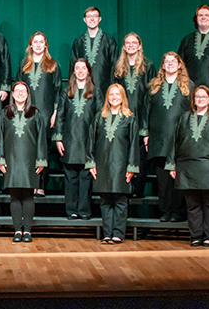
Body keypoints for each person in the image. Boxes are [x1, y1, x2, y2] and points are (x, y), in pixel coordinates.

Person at [167, 86, 209, 247]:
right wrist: (171, 165)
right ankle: (196, 236)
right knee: (192, 205)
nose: (200, 99)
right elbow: (174, 143)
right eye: (197, 96)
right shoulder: (184, 119)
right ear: (193, 100)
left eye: (204, 97)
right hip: (187, 167)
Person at [143, 52, 195, 222]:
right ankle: (165, 210)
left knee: (178, 177)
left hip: (180, 139)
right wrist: (145, 134)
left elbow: (195, 112)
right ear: (163, 66)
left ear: (180, 64)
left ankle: (179, 212)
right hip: (158, 139)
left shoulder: (189, 86)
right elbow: (145, 112)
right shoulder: (153, 86)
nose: (170, 64)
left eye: (174, 61)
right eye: (167, 61)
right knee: (163, 180)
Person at [0, 82, 48, 243]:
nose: (20, 93)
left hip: (30, 161)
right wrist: (0, 158)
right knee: (15, 197)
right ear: (12, 93)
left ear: (27, 93)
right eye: (17, 91)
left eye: (23, 91)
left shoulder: (35, 113)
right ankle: (17, 230)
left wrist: (40, 160)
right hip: (11, 160)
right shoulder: (4, 113)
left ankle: (28, 231)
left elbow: (41, 139)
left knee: (28, 196)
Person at [87, 84, 139, 244]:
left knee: (120, 200)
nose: (114, 97)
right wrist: (91, 163)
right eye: (111, 94)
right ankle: (107, 233)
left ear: (123, 97)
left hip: (122, 164)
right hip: (103, 164)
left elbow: (134, 144)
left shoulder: (130, 118)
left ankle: (118, 233)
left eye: (117, 94)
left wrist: (131, 166)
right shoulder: (99, 117)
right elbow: (91, 141)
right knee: (105, 200)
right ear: (107, 98)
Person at [17, 31, 61, 196]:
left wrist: (55, 112)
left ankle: (41, 184)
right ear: (30, 45)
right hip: (27, 113)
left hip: (46, 113)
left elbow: (58, 90)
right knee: (28, 148)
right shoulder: (23, 64)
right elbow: (18, 88)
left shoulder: (53, 64)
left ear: (45, 45)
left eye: (41, 42)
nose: (38, 44)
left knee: (43, 150)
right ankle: (29, 184)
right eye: (35, 42)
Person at [113, 33, 156, 198]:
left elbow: (151, 93)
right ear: (124, 46)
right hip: (123, 117)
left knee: (140, 155)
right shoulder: (118, 67)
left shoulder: (148, 66)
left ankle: (138, 189)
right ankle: (125, 186)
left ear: (139, 46)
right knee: (123, 153)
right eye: (127, 43)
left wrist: (147, 124)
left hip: (142, 116)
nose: (130, 45)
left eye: (134, 43)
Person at [55, 59, 98, 220]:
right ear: (73, 71)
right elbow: (60, 115)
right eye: (77, 68)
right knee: (71, 178)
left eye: (83, 68)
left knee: (86, 178)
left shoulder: (95, 91)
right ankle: (71, 210)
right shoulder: (66, 91)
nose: (80, 71)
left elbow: (100, 115)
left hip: (88, 141)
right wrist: (58, 138)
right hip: (70, 141)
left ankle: (84, 211)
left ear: (88, 71)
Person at [70, 6, 119, 103]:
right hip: (83, 90)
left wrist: (113, 89)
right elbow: (73, 66)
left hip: (104, 89)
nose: (92, 19)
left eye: (95, 16)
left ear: (100, 19)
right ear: (84, 20)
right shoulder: (78, 42)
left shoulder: (109, 41)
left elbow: (115, 66)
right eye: (89, 16)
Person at [177, 4, 209, 91]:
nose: (203, 17)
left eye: (207, 15)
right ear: (196, 19)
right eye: (200, 15)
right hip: (190, 91)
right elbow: (179, 64)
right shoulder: (187, 40)